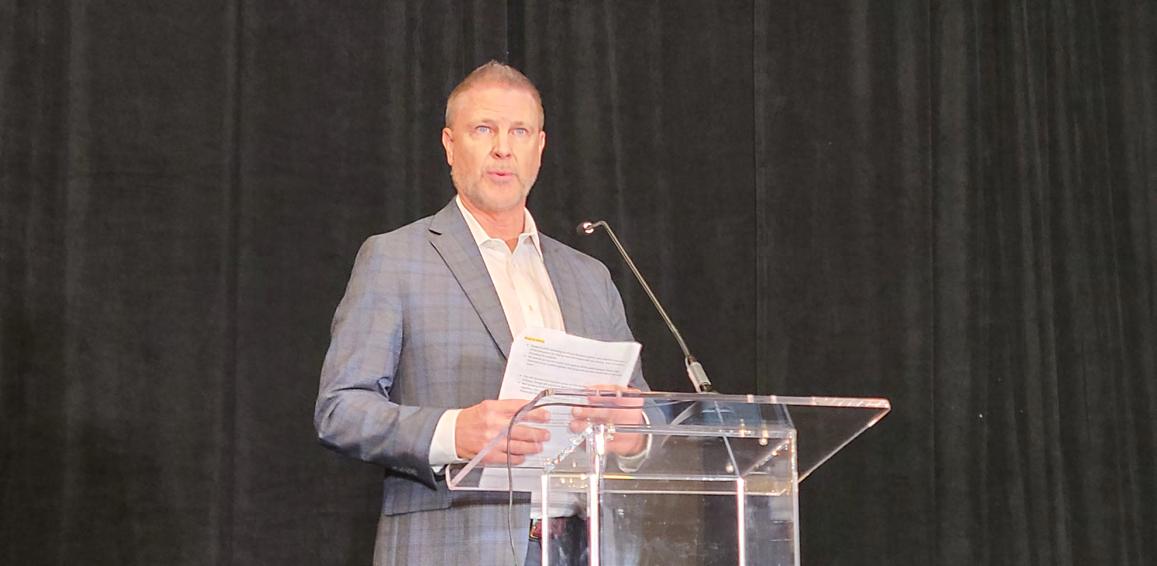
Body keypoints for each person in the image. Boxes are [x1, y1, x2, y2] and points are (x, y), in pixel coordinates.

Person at [315, 61, 648, 566]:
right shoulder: (395, 258)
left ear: (540, 147)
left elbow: (640, 416)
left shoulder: (590, 276)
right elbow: (340, 411)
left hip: (586, 547)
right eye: (484, 129)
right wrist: (454, 432)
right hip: (455, 546)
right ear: (450, 145)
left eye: (519, 131)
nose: (503, 148)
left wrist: (633, 433)